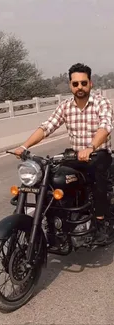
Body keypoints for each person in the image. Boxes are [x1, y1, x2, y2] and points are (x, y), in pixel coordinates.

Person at [14, 63, 113, 243]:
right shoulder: (65, 106)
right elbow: (47, 127)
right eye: (75, 84)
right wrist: (25, 146)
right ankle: (54, 224)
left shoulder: (101, 103)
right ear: (70, 85)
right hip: (75, 156)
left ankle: (101, 223)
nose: (79, 87)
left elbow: (105, 127)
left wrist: (91, 147)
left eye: (83, 83)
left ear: (90, 83)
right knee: (51, 177)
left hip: (98, 154)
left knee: (99, 175)